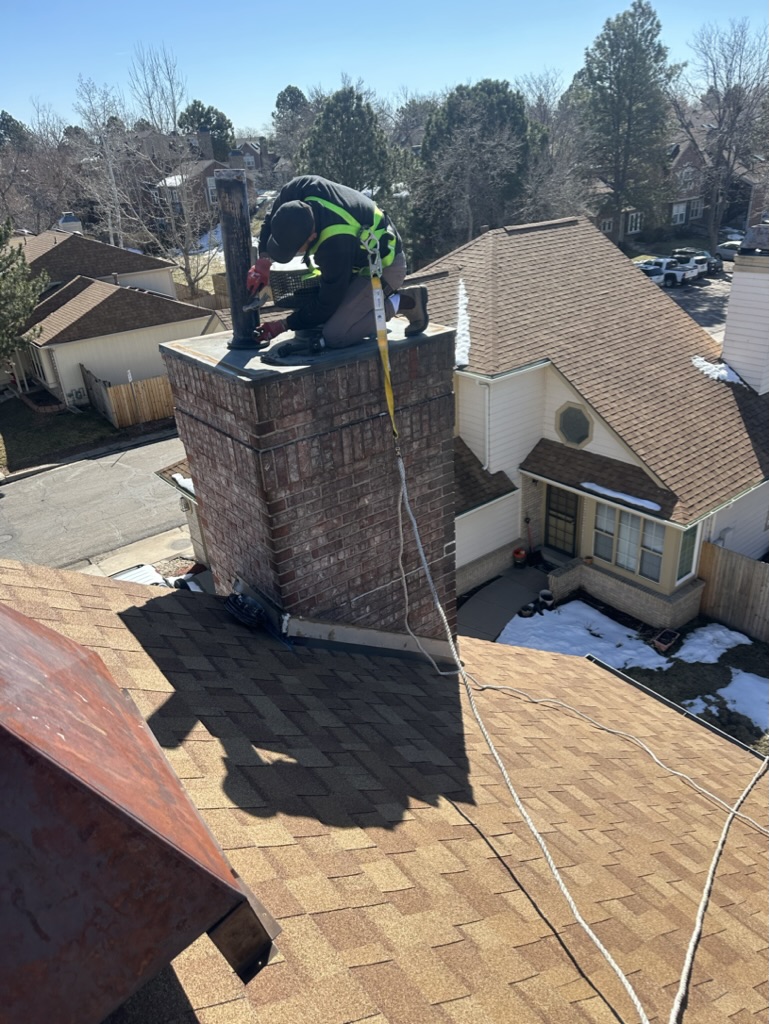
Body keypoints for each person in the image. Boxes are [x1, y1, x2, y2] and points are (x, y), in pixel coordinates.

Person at [247, 175, 428, 352]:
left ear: (312, 237)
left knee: (335, 334)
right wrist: (264, 260)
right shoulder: (301, 188)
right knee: (322, 317)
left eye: (295, 249)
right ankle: (368, 304)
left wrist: (284, 325)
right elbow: (272, 217)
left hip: (383, 267)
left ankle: (404, 301)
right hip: (354, 258)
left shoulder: (334, 246)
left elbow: (327, 303)